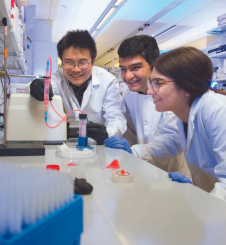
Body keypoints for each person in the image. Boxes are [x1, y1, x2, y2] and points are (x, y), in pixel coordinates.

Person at [104, 35, 190, 176]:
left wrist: (136, 152)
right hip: (139, 169)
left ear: (153, 64)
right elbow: (129, 130)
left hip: (170, 174)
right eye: (123, 69)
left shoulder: (171, 92)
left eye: (135, 67)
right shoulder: (127, 92)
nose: (128, 76)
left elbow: (172, 139)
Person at [148, 46, 226, 200]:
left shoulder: (218, 110)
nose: (150, 91)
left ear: (188, 84)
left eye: (159, 83)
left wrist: (201, 206)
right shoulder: (183, 116)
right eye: (151, 82)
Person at [30, 30, 126, 144]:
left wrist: (107, 133)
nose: (76, 69)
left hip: (99, 148)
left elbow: (116, 119)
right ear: (62, 62)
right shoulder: (58, 78)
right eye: (69, 62)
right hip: (66, 148)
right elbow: (46, 87)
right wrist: (34, 85)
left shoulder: (108, 81)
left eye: (82, 62)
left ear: (93, 61)